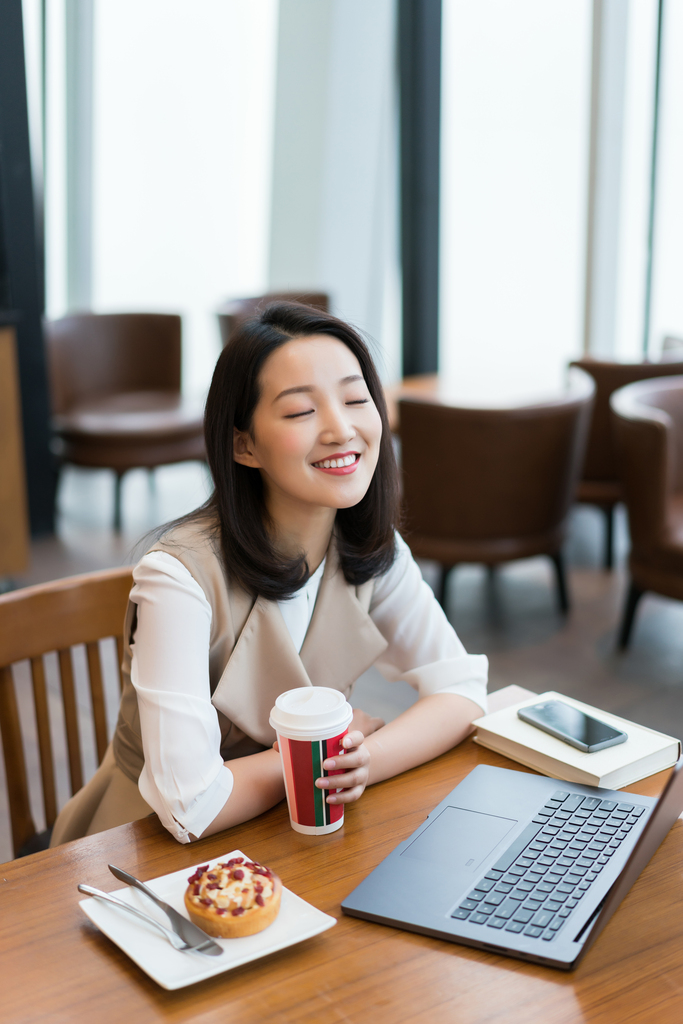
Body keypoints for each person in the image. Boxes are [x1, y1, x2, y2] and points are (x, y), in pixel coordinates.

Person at [50, 302, 488, 847]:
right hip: (144, 853)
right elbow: (190, 804)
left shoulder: (368, 547)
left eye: (356, 399)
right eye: (302, 411)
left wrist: (365, 759)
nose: (340, 428)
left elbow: (463, 690)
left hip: (295, 831)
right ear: (244, 445)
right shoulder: (177, 578)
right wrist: (317, 755)